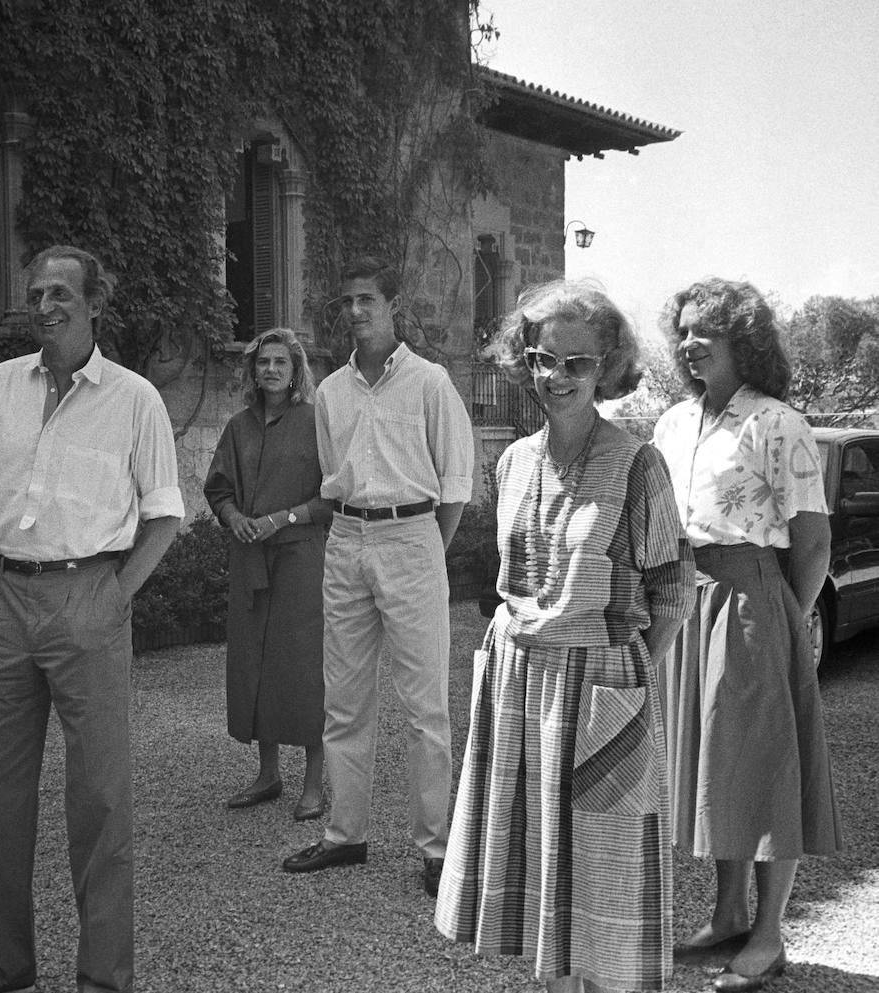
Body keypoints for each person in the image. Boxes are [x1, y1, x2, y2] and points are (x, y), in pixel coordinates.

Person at [0, 245, 184, 993]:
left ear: (94, 304)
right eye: (36, 293)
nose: (43, 306)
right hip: (2, 597)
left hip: (88, 594)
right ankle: (4, 963)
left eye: (60, 295)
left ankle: (103, 976)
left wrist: (115, 595)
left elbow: (165, 515)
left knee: (100, 796)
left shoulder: (135, 398)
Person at [434, 279, 695, 993]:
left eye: (576, 362)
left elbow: (673, 591)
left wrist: (626, 673)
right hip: (519, 681)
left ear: (607, 366)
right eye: (543, 359)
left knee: (604, 865)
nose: (557, 375)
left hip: (600, 681)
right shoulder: (514, 461)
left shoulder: (638, 463)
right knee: (536, 859)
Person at [652, 278, 842, 993]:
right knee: (716, 763)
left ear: (744, 338)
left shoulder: (776, 422)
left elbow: (813, 542)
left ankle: (769, 935)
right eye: (683, 330)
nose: (689, 343)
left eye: (706, 331)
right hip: (686, 600)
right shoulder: (672, 423)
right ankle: (728, 914)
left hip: (750, 601)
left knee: (763, 767)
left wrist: (784, 619)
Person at [282, 256, 473, 898]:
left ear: (393, 305)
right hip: (346, 539)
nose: (355, 310)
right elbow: (331, 476)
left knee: (425, 707)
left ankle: (437, 849)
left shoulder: (430, 383)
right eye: (347, 301)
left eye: (367, 299)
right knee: (344, 699)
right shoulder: (331, 393)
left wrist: (424, 548)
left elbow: (455, 484)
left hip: (412, 536)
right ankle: (345, 835)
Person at [203, 328, 333, 821]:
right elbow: (218, 489)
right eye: (263, 363)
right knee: (255, 661)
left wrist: (284, 517)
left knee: (303, 666)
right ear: (253, 372)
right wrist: (233, 517)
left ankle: (314, 782)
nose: (271, 370)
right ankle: (268, 774)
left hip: (301, 558)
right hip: (249, 558)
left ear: (295, 371)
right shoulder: (238, 427)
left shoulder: (316, 422)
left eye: (281, 362)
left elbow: (333, 496)